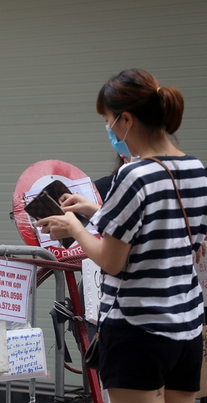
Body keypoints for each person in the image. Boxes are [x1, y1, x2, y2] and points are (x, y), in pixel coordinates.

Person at [37, 69, 207, 403]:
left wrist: (73, 225)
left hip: (137, 330)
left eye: (108, 119)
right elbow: (165, 238)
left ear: (126, 119)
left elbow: (110, 260)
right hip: (187, 328)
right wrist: (92, 210)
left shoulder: (133, 174)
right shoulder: (196, 170)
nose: (109, 128)